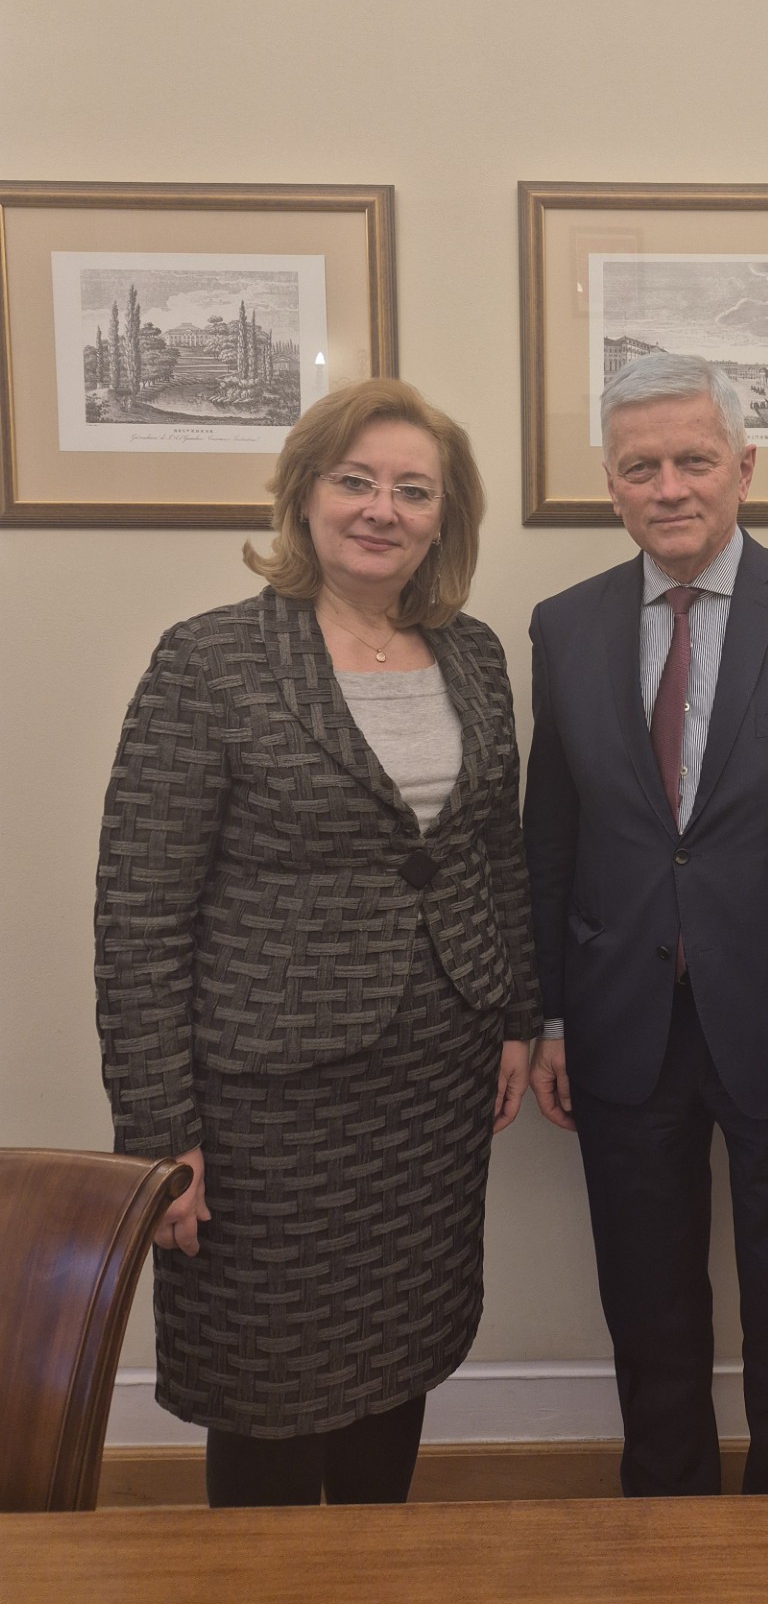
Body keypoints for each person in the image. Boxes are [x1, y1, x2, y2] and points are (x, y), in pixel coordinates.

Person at [94, 378, 540, 1506]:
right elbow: (140, 914)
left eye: (413, 490)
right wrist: (160, 1131)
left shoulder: (473, 655)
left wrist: (516, 1017)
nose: (381, 508)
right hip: (267, 1103)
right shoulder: (210, 662)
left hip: (433, 1082)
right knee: (268, 1375)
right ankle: (268, 1579)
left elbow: (495, 851)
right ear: (304, 495)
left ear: (443, 518)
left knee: (401, 1347)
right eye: (355, 481)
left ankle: (374, 1564)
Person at [523, 353, 768, 1497]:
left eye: (694, 460)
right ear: (611, 484)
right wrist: (550, 1015)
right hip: (620, 1022)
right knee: (647, 1307)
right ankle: (668, 1525)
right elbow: (550, 838)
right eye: (640, 466)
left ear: (744, 469)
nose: (670, 487)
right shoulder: (565, 627)